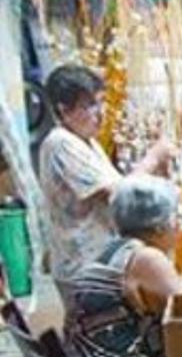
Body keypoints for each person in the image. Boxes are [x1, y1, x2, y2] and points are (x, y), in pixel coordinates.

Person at [62, 177, 182, 357]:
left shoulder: (110, 251)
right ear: (160, 224)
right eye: (176, 217)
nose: (179, 226)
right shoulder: (148, 259)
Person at [37, 64, 173, 288]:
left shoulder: (87, 142)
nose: (100, 113)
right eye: (89, 105)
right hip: (83, 266)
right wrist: (153, 158)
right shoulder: (61, 143)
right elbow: (120, 195)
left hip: (99, 260)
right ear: (64, 110)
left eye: (100, 102)